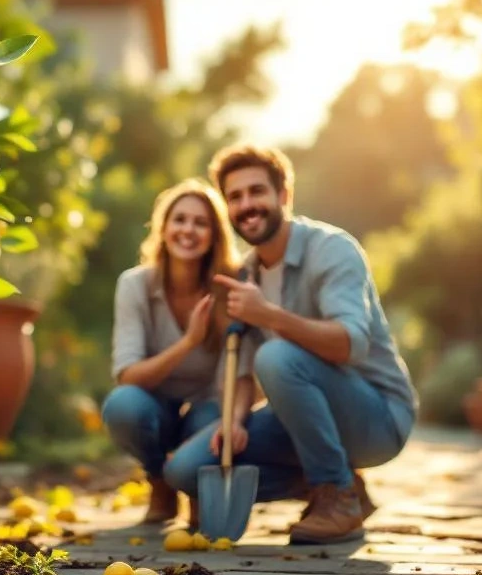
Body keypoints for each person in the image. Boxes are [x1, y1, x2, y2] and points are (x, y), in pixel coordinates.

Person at [163, 145, 418, 544]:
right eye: (235, 197)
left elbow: (351, 344)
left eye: (257, 192)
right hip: (304, 415)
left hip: (377, 417)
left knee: (278, 356)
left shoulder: (333, 250)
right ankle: (342, 483)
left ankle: (336, 495)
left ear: (284, 196)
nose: (247, 205)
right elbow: (243, 369)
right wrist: (233, 420)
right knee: (184, 471)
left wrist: (269, 315)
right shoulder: (244, 275)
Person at [102, 178, 244, 526]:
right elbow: (127, 375)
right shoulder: (134, 285)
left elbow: (237, 367)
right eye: (180, 219)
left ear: (214, 235)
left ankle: (195, 484)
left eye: (201, 223)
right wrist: (189, 342)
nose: (188, 230)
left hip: (207, 404)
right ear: (164, 228)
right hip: (155, 404)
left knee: (209, 420)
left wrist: (233, 420)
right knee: (123, 406)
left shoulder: (230, 289)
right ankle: (160, 482)